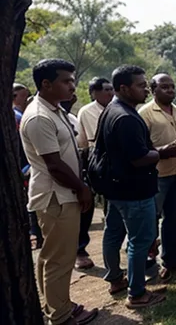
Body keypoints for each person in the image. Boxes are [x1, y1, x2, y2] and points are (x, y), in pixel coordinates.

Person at [20, 59, 98, 325]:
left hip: (62, 194)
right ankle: (61, 316)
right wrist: (82, 188)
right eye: (66, 81)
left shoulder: (54, 110)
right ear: (46, 83)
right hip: (57, 196)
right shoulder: (39, 116)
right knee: (59, 260)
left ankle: (57, 304)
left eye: (72, 80)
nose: (72, 86)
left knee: (51, 257)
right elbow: (54, 164)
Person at [97, 65, 165, 308]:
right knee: (141, 239)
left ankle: (116, 278)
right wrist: (163, 152)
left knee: (113, 232)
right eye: (140, 85)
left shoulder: (111, 110)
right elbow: (138, 158)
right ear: (123, 88)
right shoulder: (125, 117)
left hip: (115, 187)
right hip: (133, 189)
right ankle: (136, 293)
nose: (146, 89)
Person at [138, 73, 176, 280]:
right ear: (153, 90)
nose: (170, 90)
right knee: (151, 220)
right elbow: (140, 147)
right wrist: (163, 150)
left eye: (171, 86)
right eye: (164, 87)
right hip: (157, 175)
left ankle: (171, 257)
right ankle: (147, 262)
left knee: (175, 217)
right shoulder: (145, 113)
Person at [72, 77, 113, 270]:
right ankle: (80, 249)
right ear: (94, 93)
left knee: (113, 206)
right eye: (105, 90)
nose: (109, 93)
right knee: (88, 209)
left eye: (111, 89)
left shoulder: (115, 107)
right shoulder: (87, 111)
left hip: (115, 163)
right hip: (94, 162)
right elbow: (93, 139)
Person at [14, 83, 41, 248]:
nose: (27, 98)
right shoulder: (17, 117)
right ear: (14, 96)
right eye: (24, 95)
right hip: (25, 167)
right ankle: (35, 235)